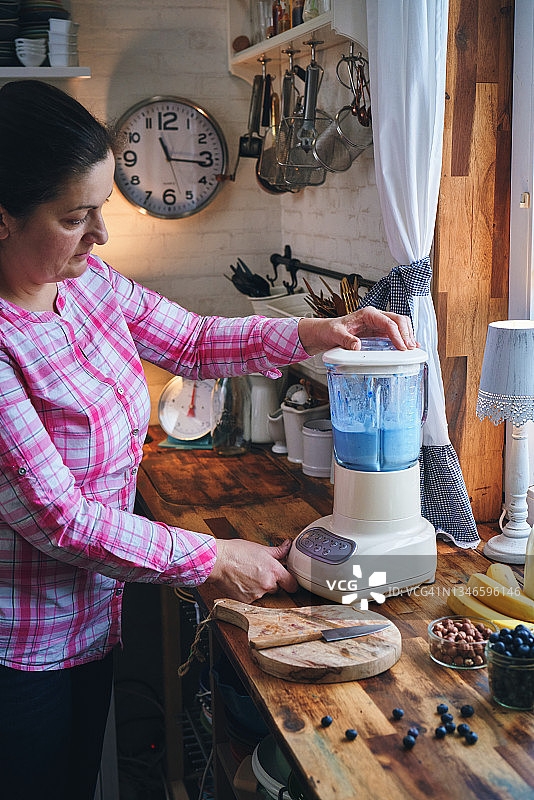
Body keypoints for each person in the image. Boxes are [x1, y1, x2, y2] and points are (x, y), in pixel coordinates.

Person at [0, 79, 416, 800]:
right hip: (18, 649)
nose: (101, 235)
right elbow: (57, 517)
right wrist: (212, 556)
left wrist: (312, 334)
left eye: (101, 208)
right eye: (76, 217)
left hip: (91, 621)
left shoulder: (89, 283)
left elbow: (191, 338)